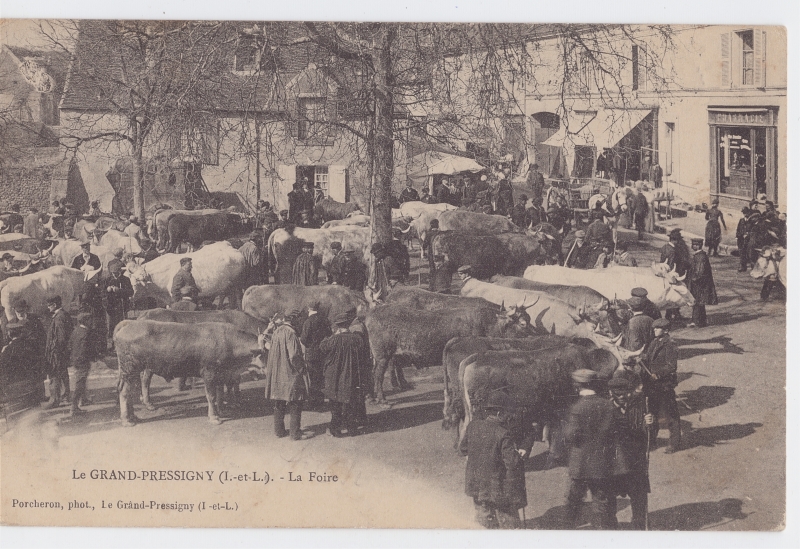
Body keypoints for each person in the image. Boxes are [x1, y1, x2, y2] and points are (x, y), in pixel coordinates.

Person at [459, 390, 527, 529]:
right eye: (507, 413)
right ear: (499, 413)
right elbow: (512, 462)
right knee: (508, 523)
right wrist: (518, 455)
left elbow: (463, 449)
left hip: (476, 484)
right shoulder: (502, 433)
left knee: (484, 522)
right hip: (497, 487)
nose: (509, 417)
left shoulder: (473, 426)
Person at [564, 369, 618, 530]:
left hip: (580, 463)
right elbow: (613, 432)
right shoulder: (607, 405)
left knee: (573, 499)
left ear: (577, 386)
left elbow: (571, 435)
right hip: (601, 462)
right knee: (601, 500)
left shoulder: (577, 408)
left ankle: (568, 531)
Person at [608, 374, 653, 530]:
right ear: (611, 394)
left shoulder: (639, 406)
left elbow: (646, 436)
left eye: (625, 393)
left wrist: (647, 424)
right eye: (618, 394)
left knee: (639, 498)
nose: (622, 397)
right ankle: (612, 529)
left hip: (635, 460)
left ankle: (639, 527)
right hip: (615, 464)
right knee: (609, 500)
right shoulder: (606, 410)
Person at [319, 310, 371, 437]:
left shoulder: (333, 340)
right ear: (348, 324)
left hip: (334, 376)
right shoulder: (357, 339)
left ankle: (335, 429)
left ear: (337, 326)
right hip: (351, 375)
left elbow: (322, 347)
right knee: (351, 402)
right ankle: (352, 428)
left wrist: (333, 335)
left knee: (335, 403)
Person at [263, 308, 310, 441]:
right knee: (296, 402)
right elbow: (294, 355)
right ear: (294, 320)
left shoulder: (277, 332)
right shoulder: (291, 334)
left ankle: (279, 431)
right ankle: (295, 433)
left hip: (277, 374)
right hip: (290, 374)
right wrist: (301, 368)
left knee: (279, 402)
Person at [643, 318, 681, 453]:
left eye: (657, 329)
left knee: (671, 415)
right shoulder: (654, 342)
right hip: (653, 385)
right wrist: (640, 358)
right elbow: (648, 358)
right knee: (651, 412)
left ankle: (674, 443)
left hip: (665, 385)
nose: (654, 330)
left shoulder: (670, 344)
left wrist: (658, 374)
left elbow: (671, 366)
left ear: (665, 330)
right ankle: (652, 441)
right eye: (654, 328)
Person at [43, 295, 73, 409]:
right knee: (63, 373)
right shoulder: (63, 314)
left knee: (54, 375)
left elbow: (61, 337)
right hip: (61, 352)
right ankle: (67, 395)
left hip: (57, 352)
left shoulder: (59, 317)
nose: (48, 307)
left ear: (54, 305)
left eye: (49, 305)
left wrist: (57, 352)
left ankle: (54, 400)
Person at [300, 301, 332, 406]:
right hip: (323, 352)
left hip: (311, 354)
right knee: (321, 377)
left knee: (312, 378)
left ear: (309, 309)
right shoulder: (324, 320)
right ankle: (321, 399)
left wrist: (310, 344)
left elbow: (303, 339)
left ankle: (314, 401)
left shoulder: (308, 322)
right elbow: (329, 334)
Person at [687, 238, 717, 328]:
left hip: (699, 285)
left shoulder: (700, 257)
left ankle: (696, 322)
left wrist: (692, 279)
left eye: (694, 245)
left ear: (698, 245)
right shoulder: (700, 255)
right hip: (702, 284)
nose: (692, 246)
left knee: (697, 302)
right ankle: (701, 321)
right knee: (700, 303)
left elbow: (699, 272)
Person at [79, 268, 107, 362]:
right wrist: (95, 302)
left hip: (91, 311)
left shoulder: (87, 285)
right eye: (95, 276)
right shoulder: (89, 287)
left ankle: (93, 353)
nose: (96, 278)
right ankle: (94, 354)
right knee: (94, 331)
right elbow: (85, 298)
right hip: (93, 312)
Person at [68, 312, 93, 417]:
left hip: (75, 361)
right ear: (86, 321)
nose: (91, 322)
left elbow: (70, 345)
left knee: (80, 383)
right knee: (79, 385)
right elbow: (85, 349)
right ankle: (74, 408)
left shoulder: (76, 331)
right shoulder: (86, 333)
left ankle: (81, 402)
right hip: (83, 362)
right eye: (90, 320)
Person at [105, 261, 133, 345]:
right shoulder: (107, 280)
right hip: (111, 307)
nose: (114, 275)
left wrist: (119, 291)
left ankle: (123, 343)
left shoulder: (125, 280)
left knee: (122, 325)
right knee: (111, 326)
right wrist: (107, 290)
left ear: (120, 272)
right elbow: (102, 292)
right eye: (112, 273)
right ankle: (112, 344)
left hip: (122, 306)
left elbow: (131, 292)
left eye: (116, 273)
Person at [735, 207, 752, 272]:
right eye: (744, 213)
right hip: (741, 239)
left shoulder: (751, 221)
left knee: (748, 253)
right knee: (741, 253)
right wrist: (739, 235)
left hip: (748, 239)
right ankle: (743, 267)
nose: (745, 214)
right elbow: (738, 229)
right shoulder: (741, 220)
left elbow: (753, 230)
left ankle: (751, 267)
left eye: (746, 213)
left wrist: (748, 234)